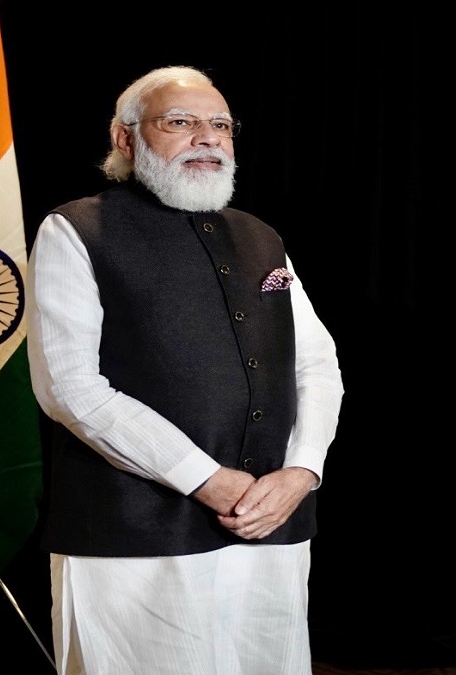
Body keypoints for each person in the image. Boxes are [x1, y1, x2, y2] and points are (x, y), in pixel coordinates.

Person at [26, 65, 344, 674]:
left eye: (221, 125)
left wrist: (302, 471)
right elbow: (69, 388)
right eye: (181, 122)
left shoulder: (261, 237)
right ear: (126, 139)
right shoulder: (75, 229)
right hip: (133, 538)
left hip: (272, 524)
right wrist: (206, 478)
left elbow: (317, 366)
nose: (208, 137)